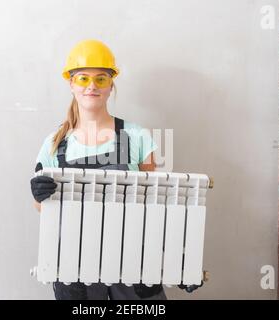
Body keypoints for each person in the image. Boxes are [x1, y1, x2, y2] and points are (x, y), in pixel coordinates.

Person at [30, 39, 166, 300]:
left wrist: (170, 263)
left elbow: (157, 203)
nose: (92, 86)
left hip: (132, 262)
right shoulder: (56, 144)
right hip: (74, 265)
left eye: (101, 79)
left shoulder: (135, 136)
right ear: (71, 84)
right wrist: (39, 196)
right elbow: (41, 208)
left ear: (111, 84)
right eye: (83, 78)